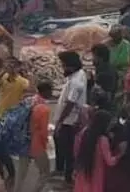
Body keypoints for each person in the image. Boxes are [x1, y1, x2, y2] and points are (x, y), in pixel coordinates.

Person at [54, 51, 88, 184]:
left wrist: (60, 122)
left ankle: (69, 179)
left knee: (68, 150)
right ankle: (63, 172)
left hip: (70, 121)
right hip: (70, 119)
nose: (63, 68)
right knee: (66, 148)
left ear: (71, 66)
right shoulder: (79, 74)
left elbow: (70, 103)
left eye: (64, 65)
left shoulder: (75, 82)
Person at [72, 109, 116, 192]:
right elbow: (110, 161)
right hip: (96, 173)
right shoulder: (102, 140)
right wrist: (120, 154)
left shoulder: (84, 133)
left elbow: (76, 150)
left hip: (82, 169)